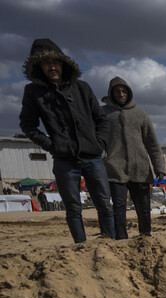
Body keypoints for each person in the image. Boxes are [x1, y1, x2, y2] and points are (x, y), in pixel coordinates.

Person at [19, 38, 115, 243]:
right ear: (39, 66)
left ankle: (109, 246)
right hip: (64, 160)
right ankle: (80, 248)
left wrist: (100, 143)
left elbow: (101, 119)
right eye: (46, 63)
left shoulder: (82, 88)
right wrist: (52, 145)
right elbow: (27, 125)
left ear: (63, 64)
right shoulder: (34, 92)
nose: (52, 67)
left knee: (105, 205)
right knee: (73, 208)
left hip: (92, 156)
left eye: (56, 62)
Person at [101, 76, 166, 238]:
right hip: (114, 168)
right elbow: (99, 140)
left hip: (140, 168)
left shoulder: (140, 114)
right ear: (111, 93)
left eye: (124, 91)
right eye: (117, 91)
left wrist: (159, 167)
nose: (121, 94)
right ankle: (121, 239)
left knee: (143, 207)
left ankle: (145, 236)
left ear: (129, 92)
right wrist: (104, 158)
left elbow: (152, 143)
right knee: (118, 206)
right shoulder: (104, 114)